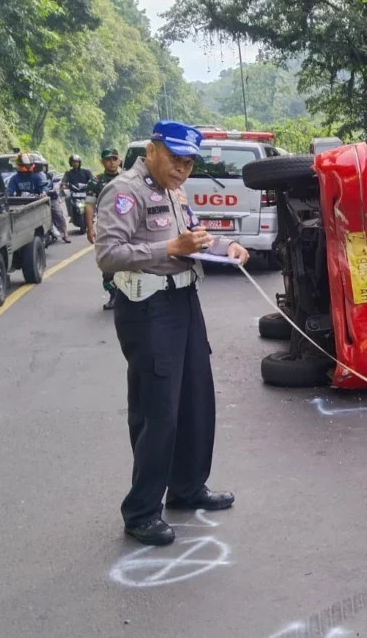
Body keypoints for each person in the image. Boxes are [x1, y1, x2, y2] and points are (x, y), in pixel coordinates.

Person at [95, 120, 250, 546]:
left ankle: (187, 488)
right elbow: (107, 254)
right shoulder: (125, 191)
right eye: (174, 159)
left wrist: (225, 247)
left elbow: (193, 238)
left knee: (195, 399)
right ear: (151, 149)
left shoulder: (174, 192)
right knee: (157, 410)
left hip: (183, 301)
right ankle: (142, 510)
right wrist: (169, 249)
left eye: (188, 162)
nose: (182, 168)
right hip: (148, 309)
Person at [86, 148, 123, 310]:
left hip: (127, 226)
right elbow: (89, 205)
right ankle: (113, 295)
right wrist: (90, 227)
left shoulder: (127, 179)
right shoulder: (96, 182)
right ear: (102, 162)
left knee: (130, 260)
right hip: (106, 227)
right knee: (108, 263)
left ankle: (128, 295)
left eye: (114, 159)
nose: (112, 162)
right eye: (108, 159)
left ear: (119, 160)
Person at [8, 153, 70, 243]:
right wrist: (6, 196)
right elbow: (9, 190)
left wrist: (44, 193)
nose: (28, 167)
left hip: (41, 200)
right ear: (19, 166)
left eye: (29, 165)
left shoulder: (37, 176)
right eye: (25, 165)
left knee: (58, 212)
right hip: (24, 202)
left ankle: (65, 233)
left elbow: (44, 186)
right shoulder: (15, 178)